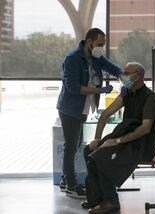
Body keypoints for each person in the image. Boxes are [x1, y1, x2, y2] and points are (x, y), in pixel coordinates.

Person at [82, 62, 155, 214]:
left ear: (137, 76)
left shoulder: (150, 97)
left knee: (100, 156)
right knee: (89, 151)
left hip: (139, 145)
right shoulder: (126, 93)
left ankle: (111, 201)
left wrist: (116, 141)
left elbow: (145, 129)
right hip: (125, 139)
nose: (122, 75)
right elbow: (105, 115)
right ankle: (98, 198)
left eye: (126, 72)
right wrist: (97, 140)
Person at [57, 28, 122, 198]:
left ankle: (65, 180)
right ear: (89, 41)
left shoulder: (96, 57)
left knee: (75, 144)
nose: (101, 47)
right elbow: (72, 87)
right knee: (71, 147)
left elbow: (112, 69)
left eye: (103, 44)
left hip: (82, 109)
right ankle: (71, 185)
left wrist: (128, 78)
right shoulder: (72, 59)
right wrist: (99, 90)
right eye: (99, 44)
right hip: (70, 109)